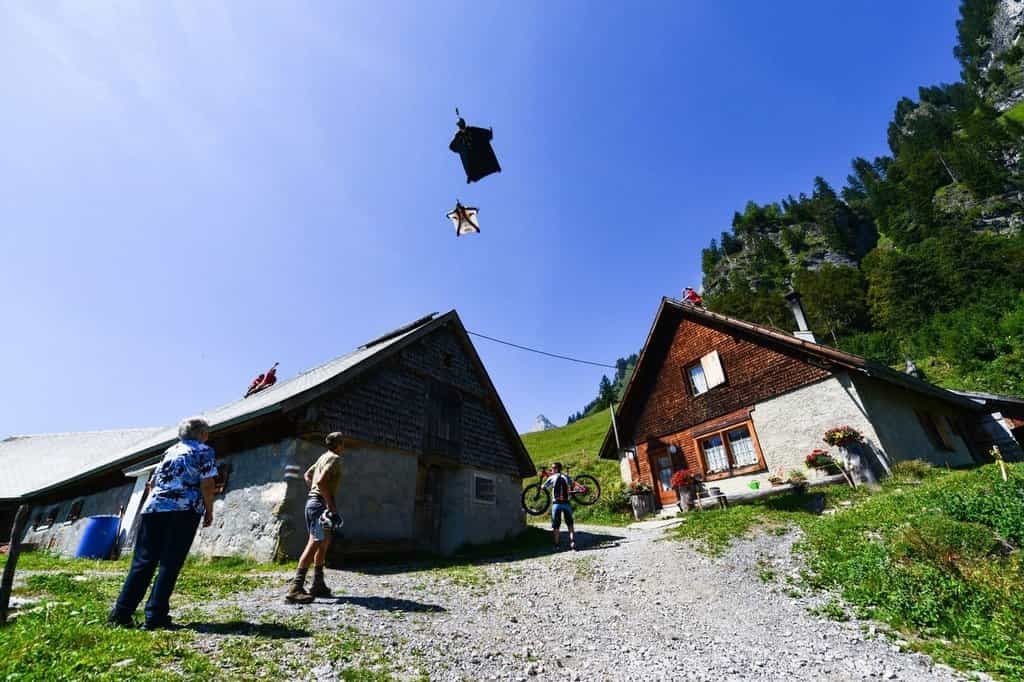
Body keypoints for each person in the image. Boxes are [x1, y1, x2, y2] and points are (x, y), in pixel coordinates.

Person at [108, 417, 218, 629]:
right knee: (170, 562)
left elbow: (152, 483)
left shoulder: (170, 451)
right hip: (183, 509)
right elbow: (207, 483)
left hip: (154, 508)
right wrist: (209, 511)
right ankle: (155, 615)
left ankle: (121, 613)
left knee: (143, 561)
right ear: (202, 434)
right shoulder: (204, 451)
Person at [286, 432, 345, 603]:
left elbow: (307, 475)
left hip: (314, 504)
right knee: (315, 541)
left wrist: (314, 495)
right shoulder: (334, 458)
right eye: (343, 443)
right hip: (320, 506)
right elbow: (320, 482)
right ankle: (295, 588)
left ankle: (318, 583)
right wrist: (330, 506)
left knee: (323, 542)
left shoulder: (322, 457)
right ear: (339, 444)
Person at [543, 462, 576, 551]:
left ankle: (556, 545)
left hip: (556, 504)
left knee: (556, 526)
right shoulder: (565, 476)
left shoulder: (552, 477)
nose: (552, 469)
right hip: (566, 503)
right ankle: (572, 542)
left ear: (556, 469)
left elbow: (544, 486)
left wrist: (542, 486)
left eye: (553, 468)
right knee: (570, 524)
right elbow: (572, 484)